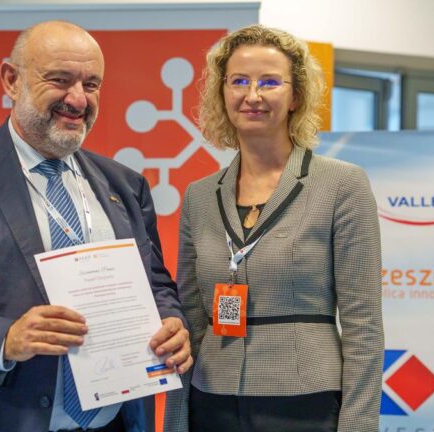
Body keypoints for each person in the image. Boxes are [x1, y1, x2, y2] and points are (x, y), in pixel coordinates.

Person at [0, 21, 192, 432]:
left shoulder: (125, 185)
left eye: (91, 84)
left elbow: (156, 286)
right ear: (12, 80)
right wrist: (5, 339)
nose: (78, 99)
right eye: (60, 80)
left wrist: (172, 323)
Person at [163, 24, 384, 432]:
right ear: (222, 93)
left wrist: (358, 425)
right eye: (239, 81)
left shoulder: (341, 185)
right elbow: (191, 319)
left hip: (304, 403)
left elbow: (364, 326)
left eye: (269, 82)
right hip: (212, 401)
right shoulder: (199, 195)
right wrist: (175, 421)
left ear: (295, 95)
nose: (252, 95)